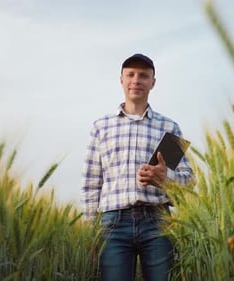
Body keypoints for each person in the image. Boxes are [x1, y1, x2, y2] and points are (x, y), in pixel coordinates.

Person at [81, 53, 194, 281]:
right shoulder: (101, 127)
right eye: (130, 74)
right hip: (112, 224)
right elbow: (92, 184)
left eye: (143, 76)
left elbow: (189, 180)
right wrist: (89, 233)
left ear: (153, 82)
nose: (136, 80)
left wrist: (166, 177)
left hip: (158, 221)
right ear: (121, 79)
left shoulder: (169, 127)